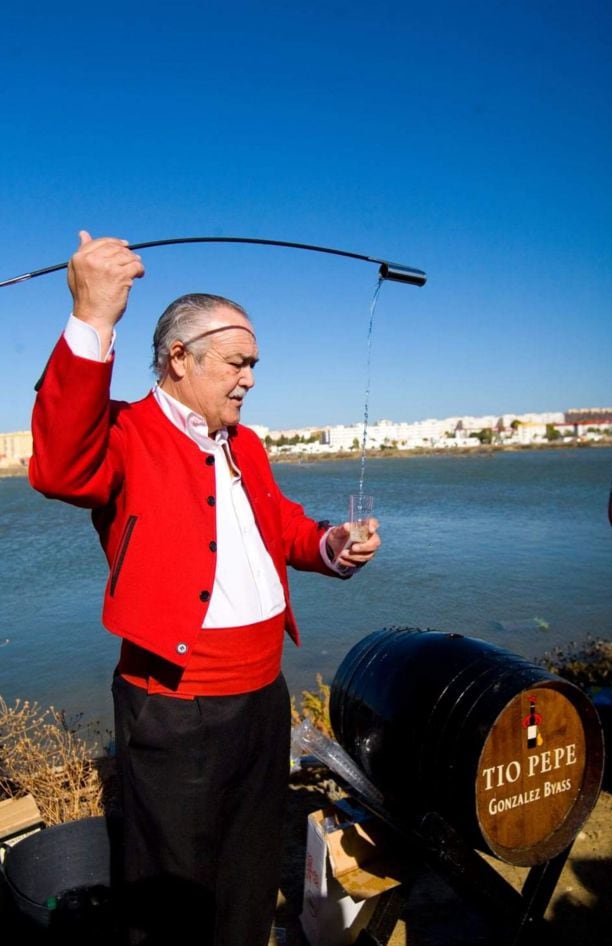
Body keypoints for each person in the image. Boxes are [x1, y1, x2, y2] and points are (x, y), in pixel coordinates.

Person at [29, 232, 380, 946]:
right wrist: (93, 319)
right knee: (173, 888)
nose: (250, 379)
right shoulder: (125, 430)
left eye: (254, 365)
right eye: (238, 363)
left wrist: (328, 544)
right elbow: (61, 467)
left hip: (263, 695)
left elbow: (277, 526)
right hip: (174, 702)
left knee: (249, 870)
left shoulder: (244, 442)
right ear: (179, 358)